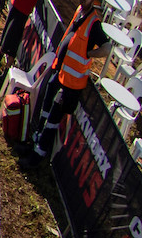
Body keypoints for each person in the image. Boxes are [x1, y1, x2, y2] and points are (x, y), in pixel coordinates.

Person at [32, 18, 109, 159]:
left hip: (71, 83)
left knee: (53, 117)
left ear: (93, 0)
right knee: (47, 106)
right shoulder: (80, 11)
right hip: (60, 72)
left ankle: (39, 154)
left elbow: (107, 48)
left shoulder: (94, 24)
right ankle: (36, 138)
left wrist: (89, 53)